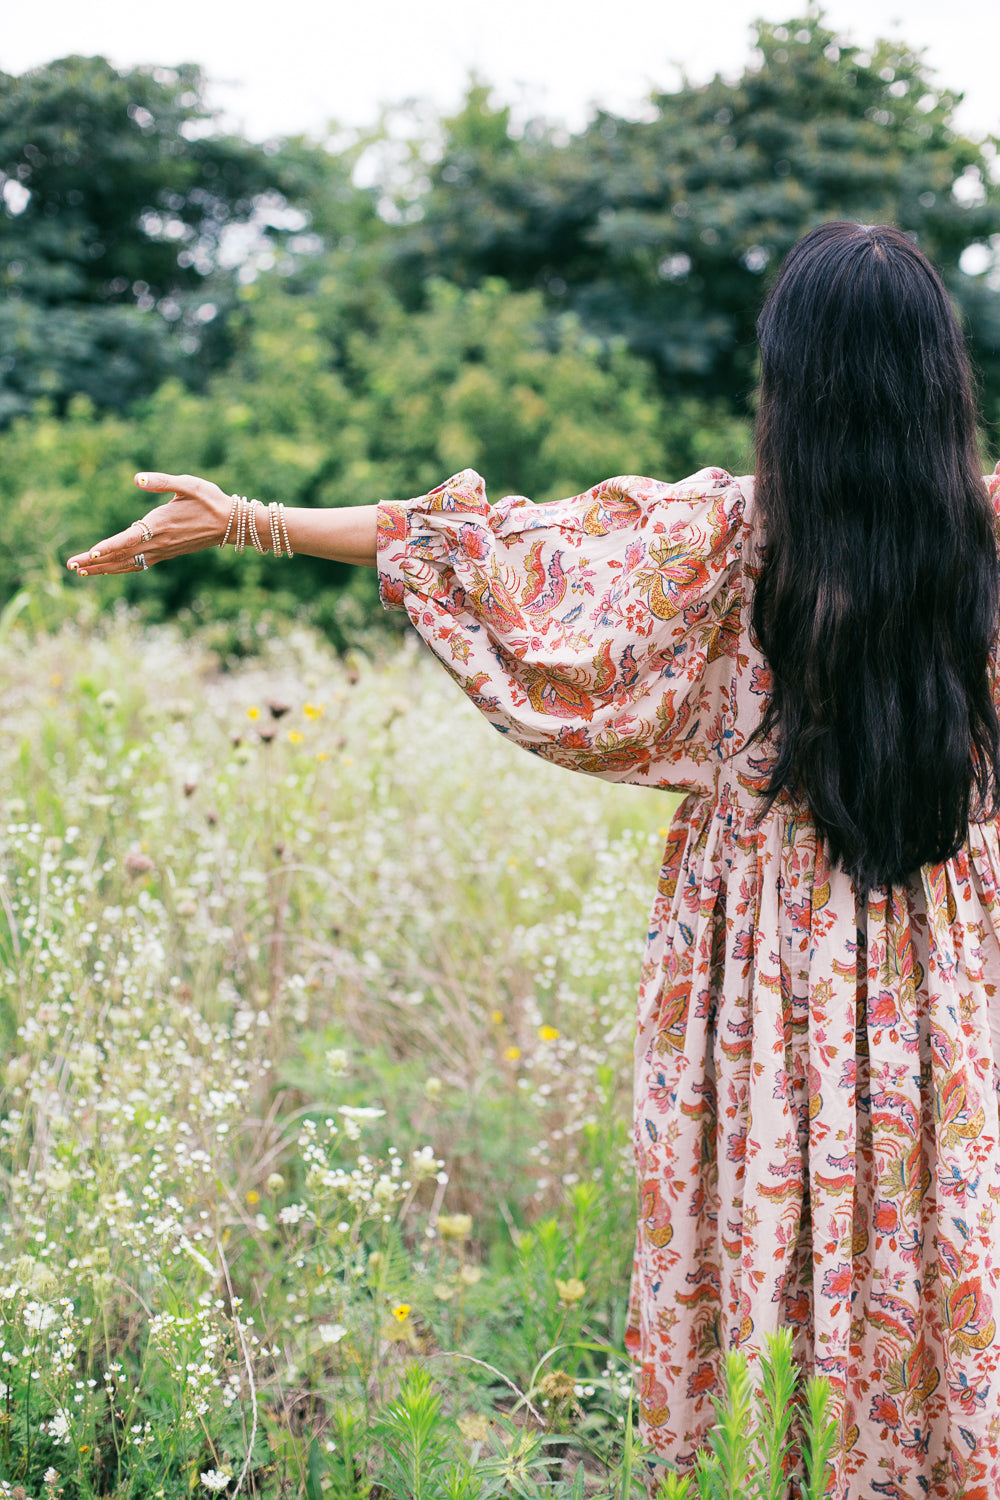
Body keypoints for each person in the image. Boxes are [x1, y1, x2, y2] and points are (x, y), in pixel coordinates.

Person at [68, 221, 1000, 1499]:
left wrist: (251, 520)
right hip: (938, 976)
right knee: (924, 1225)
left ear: (789, 382)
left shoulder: (717, 542)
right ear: (940, 378)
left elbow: (501, 558)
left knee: (765, 1236)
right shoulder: (985, 541)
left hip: (759, 964)